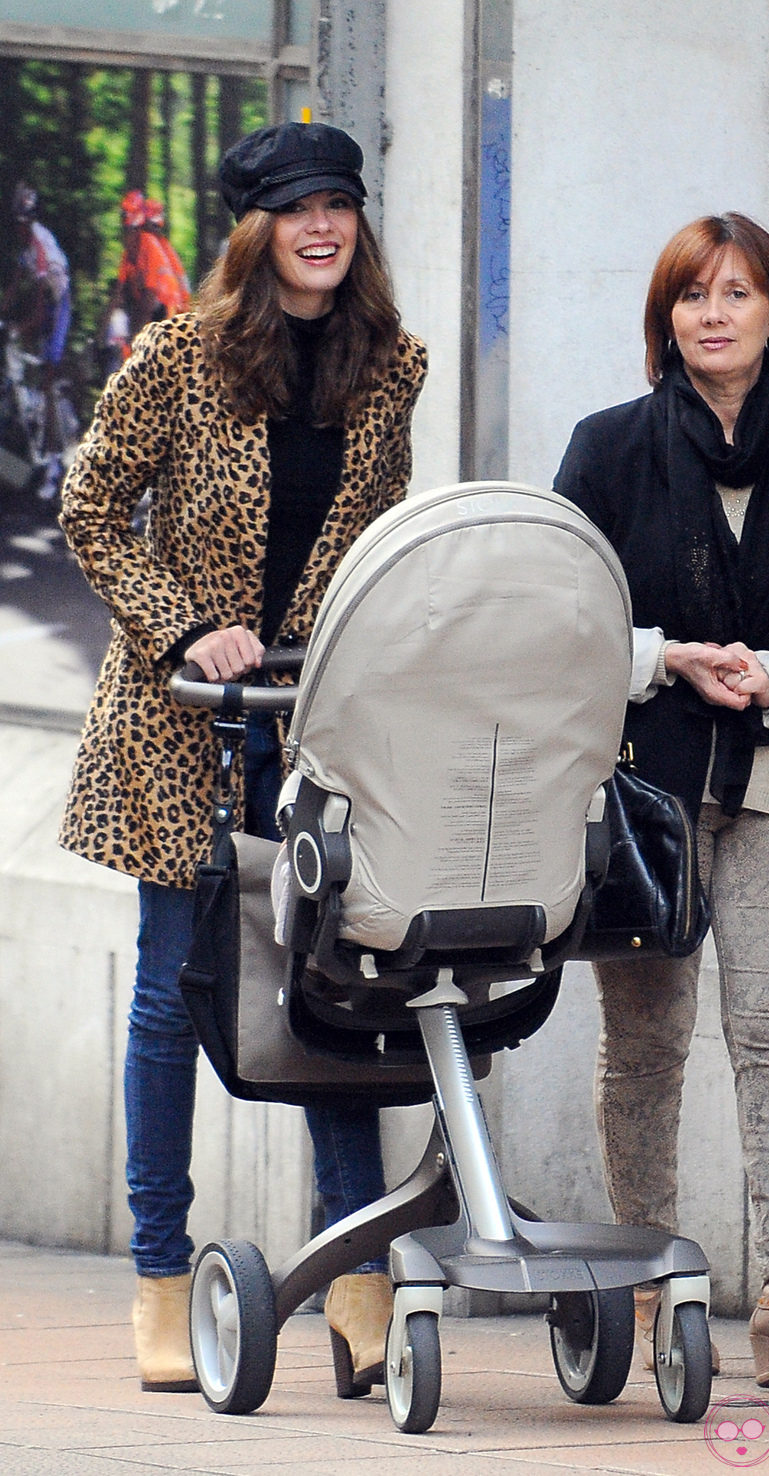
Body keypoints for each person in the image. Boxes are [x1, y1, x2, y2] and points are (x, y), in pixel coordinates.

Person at [58, 121, 427, 1394]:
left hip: (316, 731)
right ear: (254, 228)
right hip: (181, 728)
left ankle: (358, 1275)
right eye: (294, 209)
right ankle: (162, 1278)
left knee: (333, 996)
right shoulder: (178, 355)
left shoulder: (394, 367)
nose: (320, 228)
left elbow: (380, 547)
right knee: (173, 995)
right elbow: (89, 506)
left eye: (338, 205)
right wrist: (186, 624)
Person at [554, 212, 769, 1389]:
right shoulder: (604, 450)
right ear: (665, 322)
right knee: (643, 1045)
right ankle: (651, 1280)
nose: (714, 312)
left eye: (737, 293)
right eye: (691, 295)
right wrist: (666, 658)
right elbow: (563, 616)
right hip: (647, 788)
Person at [2, 181, 73, 497]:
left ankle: (54, 470)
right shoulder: (25, 247)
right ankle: (17, 465)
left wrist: (23, 326)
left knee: (45, 380)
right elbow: (14, 287)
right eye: (17, 222)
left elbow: (43, 304)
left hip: (59, 305)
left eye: (24, 221)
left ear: (31, 220)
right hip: (44, 303)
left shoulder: (41, 245)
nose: (21, 227)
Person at [104, 188, 191, 345]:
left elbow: (151, 298)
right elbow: (119, 291)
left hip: (170, 311)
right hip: (156, 309)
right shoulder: (130, 253)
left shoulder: (153, 246)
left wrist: (135, 337)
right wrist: (102, 333)